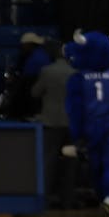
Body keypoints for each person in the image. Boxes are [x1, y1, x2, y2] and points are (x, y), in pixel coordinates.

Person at [63, 31, 109, 217]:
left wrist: (77, 134)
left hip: (90, 125)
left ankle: (103, 196)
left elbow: (74, 110)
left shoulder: (78, 79)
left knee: (95, 165)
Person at [32, 53, 77, 208]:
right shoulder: (75, 72)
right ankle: (68, 200)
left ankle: (44, 199)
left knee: (48, 162)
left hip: (51, 122)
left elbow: (35, 92)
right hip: (70, 122)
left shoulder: (47, 71)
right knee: (70, 162)